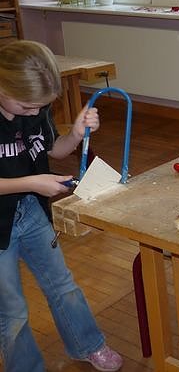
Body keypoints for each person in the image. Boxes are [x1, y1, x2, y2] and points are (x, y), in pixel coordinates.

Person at [0, 40, 122, 372]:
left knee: (62, 285)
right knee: (12, 311)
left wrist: (77, 134)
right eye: (27, 106)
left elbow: (54, 149)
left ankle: (87, 345)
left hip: (31, 211)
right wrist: (32, 182)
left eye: (41, 107)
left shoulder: (36, 108)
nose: (34, 113)